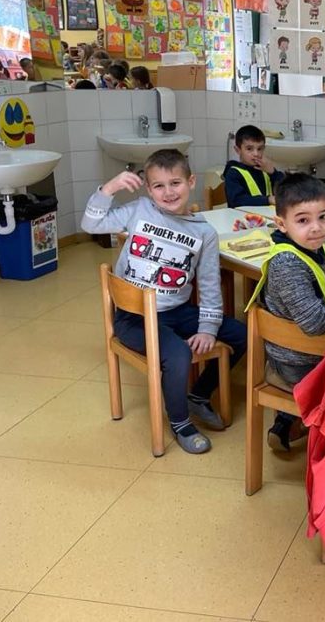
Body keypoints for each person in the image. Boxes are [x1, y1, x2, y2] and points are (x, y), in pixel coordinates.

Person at [80, 149, 247, 454]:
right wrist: (109, 189)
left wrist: (208, 329)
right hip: (134, 317)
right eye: (159, 185)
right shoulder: (139, 210)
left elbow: (210, 285)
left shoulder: (204, 232)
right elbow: (91, 224)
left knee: (242, 334)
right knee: (178, 353)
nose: (168, 192)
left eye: (175, 183)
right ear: (147, 188)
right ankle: (180, 422)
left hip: (178, 311)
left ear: (191, 182)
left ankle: (198, 395)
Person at [244, 173, 325, 451]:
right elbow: (315, 323)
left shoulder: (314, 244)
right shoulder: (287, 264)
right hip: (297, 362)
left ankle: (287, 421)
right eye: (303, 220)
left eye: (323, 217)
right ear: (282, 224)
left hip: (302, 353)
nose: (316, 228)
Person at [223, 124, 285, 207]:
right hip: (241, 215)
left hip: (265, 214)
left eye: (259, 149)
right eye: (249, 149)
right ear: (238, 150)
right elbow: (237, 200)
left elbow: (287, 189)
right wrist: (267, 200)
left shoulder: (265, 169)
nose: (256, 154)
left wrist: (274, 173)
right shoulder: (233, 173)